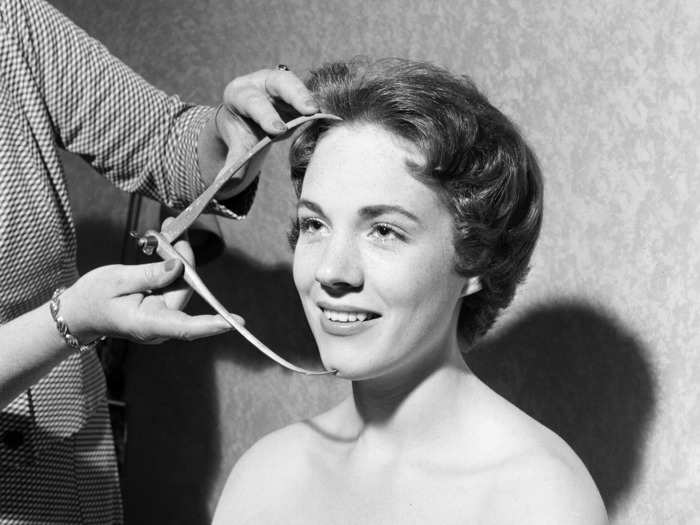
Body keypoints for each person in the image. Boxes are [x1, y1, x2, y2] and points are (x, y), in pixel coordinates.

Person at [213, 58, 608, 524]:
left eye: (383, 230)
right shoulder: (266, 473)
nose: (331, 271)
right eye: (314, 224)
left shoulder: (540, 499)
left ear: (476, 258)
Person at [0, 0, 318, 522]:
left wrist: (231, 135)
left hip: (68, 467)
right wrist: (70, 320)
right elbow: (73, 318)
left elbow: (164, 142)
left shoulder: (13, 23)